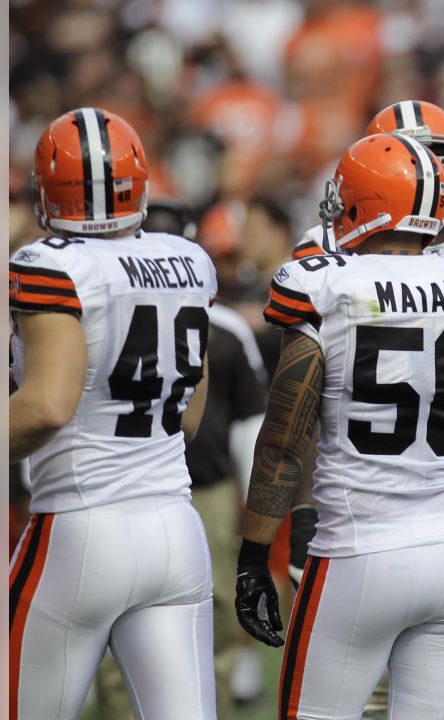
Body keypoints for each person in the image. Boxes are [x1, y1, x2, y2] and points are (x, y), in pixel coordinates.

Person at [233, 132, 444, 718]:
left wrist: (254, 556)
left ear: (359, 202)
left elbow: (284, 441)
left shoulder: (325, 284)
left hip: (358, 550)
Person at [9, 108, 218, 719]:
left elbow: (47, 406)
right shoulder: (188, 260)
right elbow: (188, 417)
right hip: (175, 530)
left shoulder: (49, 264)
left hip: (80, 526)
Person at [92, 197, 268, 719]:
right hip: (167, 489)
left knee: (194, 616)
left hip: (156, 487)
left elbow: (246, 424)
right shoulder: (218, 320)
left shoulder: (92, 304)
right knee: (187, 625)